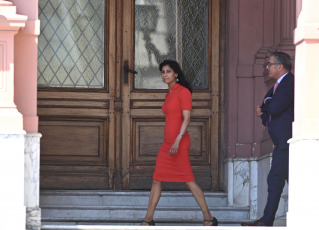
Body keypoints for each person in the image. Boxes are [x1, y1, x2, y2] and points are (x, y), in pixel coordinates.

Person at [140, 60, 218, 226]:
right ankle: (148, 219)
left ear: (176, 74)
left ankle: (208, 217)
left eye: (168, 71)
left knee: (189, 180)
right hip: (167, 144)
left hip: (179, 143)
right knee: (156, 179)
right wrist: (171, 142)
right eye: (162, 72)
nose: (165, 75)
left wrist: (177, 141)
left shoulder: (183, 92)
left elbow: (187, 119)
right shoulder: (169, 93)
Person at [241, 52, 294, 226]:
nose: (267, 67)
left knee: (276, 179)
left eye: (270, 64)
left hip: (287, 142)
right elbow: (267, 110)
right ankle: (267, 220)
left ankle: (267, 220)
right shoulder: (277, 85)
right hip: (280, 142)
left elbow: (275, 107)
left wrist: (267, 105)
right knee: (279, 180)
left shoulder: (288, 82)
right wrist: (265, 110)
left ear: (280, 66)